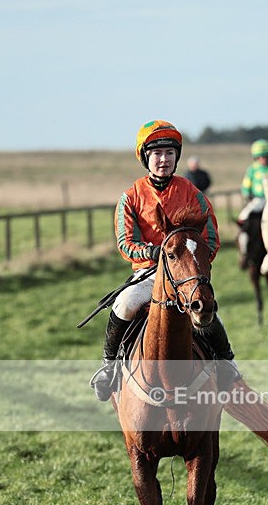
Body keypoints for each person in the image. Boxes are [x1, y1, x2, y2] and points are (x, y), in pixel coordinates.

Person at [90, 119, 236, 402]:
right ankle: (109, 368)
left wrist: (191, 267)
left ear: (176, 158)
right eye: (157, 153)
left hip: (184, 276)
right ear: (146, 157)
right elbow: (125, 244)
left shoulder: (193, 194)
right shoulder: (131, 197)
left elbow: (211, 240)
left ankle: (228, 365)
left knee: (205, 309)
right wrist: (153, 253)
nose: (163, 159)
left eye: (169, 153)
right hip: (147, 275)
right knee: (126, 303)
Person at [237, 139, 268, 265]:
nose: (264, 159)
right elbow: (246, 185)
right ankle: (243, 251)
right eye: (260, 157)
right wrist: (247, 194)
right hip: (257, 201)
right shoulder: (252, 170)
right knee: (243, 218)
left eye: (266, 156)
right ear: (256, 158)